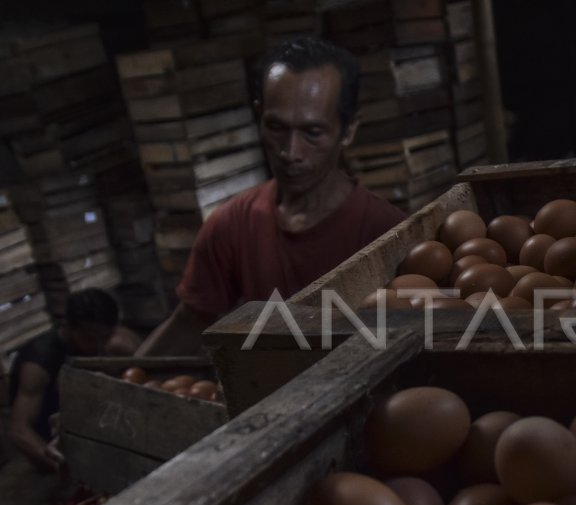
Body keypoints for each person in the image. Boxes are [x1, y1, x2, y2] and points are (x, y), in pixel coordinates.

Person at [137, 37, 408, 356]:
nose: (290, 152)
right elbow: (190, 320)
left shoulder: (386, 232)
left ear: (348, 130)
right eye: (276, 127)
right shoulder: (233, 224)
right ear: (259, 116)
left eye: (313, 132)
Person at [5, 289, 119, 472]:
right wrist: (59, 462)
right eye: (90, 338)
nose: (99, 346)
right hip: (50, 445)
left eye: (105, 338)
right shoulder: (39, 363)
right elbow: (19, 429)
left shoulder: (111, 344)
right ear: (69, 326)